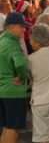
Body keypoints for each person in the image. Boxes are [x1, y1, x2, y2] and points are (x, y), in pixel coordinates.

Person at [0, 13, 28, 143]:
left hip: (2, 91)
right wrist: (22, 78)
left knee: (6, 127)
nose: (24, 29)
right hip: (13, 93)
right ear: (11, 27)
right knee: (13, 129)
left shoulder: (1, 41)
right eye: (21, 26)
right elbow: (21, 63)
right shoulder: (13, 44)